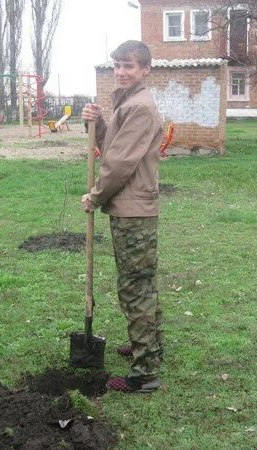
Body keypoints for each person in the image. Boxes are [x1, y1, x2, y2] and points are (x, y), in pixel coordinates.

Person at [81, 40, 164, 393]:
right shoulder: (127, 102)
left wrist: (96, 196)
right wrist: (97, 124)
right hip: (130, 208)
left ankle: (145, 373)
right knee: (140, 282)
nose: (121, 71)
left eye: (129, 65)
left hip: (133, 211)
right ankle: (149, 344)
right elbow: (112, 145)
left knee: (134, 287)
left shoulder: (141, 106)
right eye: (117, 65)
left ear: (145, 69)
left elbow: (119, 163)